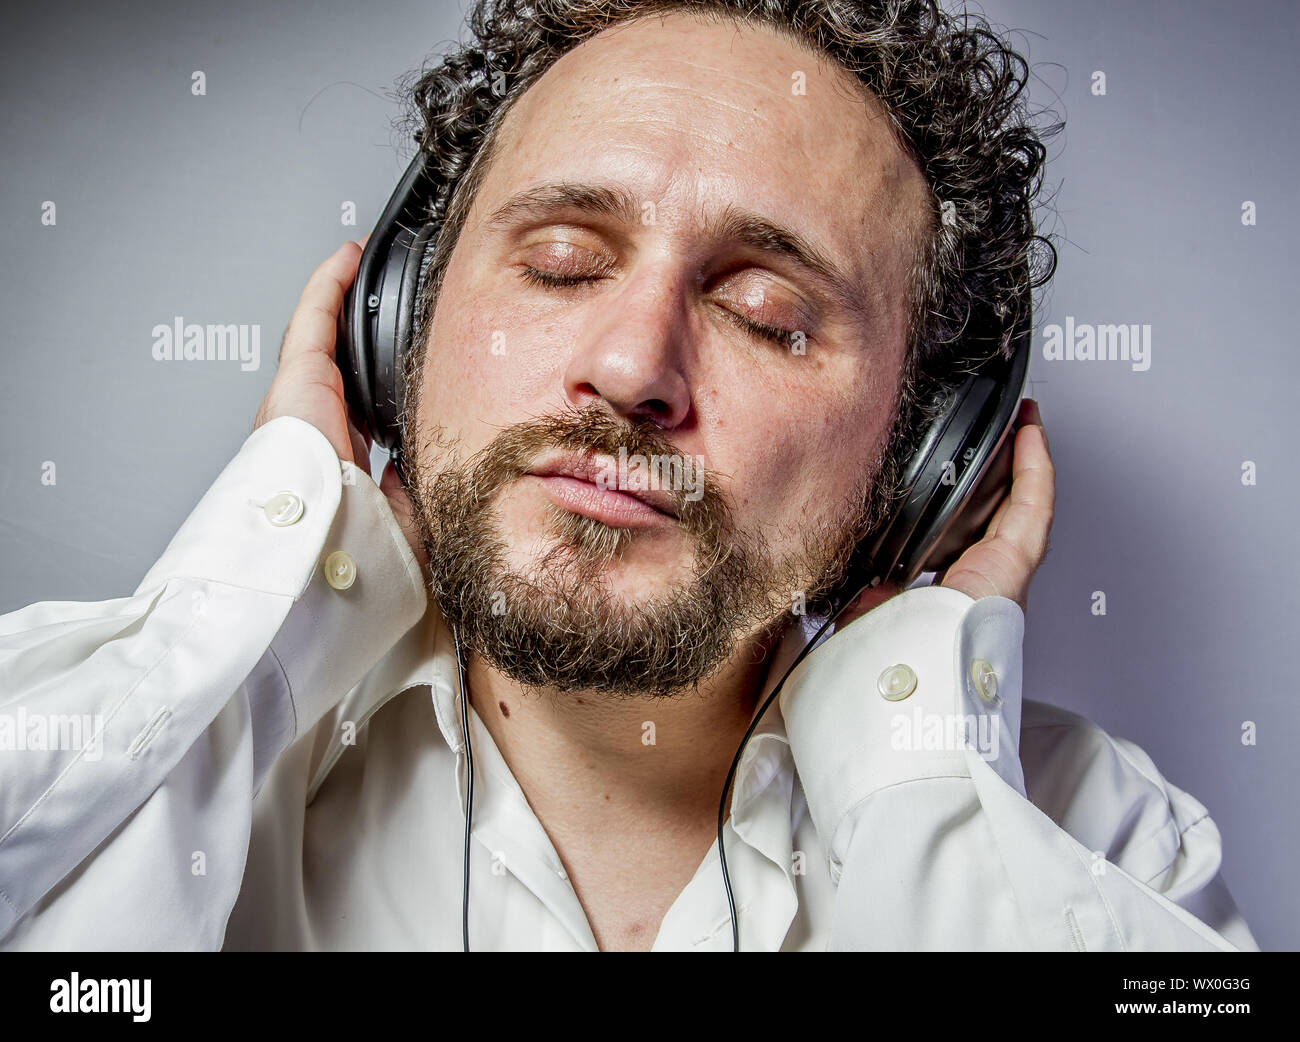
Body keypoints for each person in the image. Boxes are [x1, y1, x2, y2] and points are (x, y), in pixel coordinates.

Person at [0, 0, 1256, 951]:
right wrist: (267, 591)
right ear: (398, 331)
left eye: (767, 313)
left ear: (929, 460)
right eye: (556, 262)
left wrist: (919, 766)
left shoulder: (1100, 841)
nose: (630, 365)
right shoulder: (92, 718)